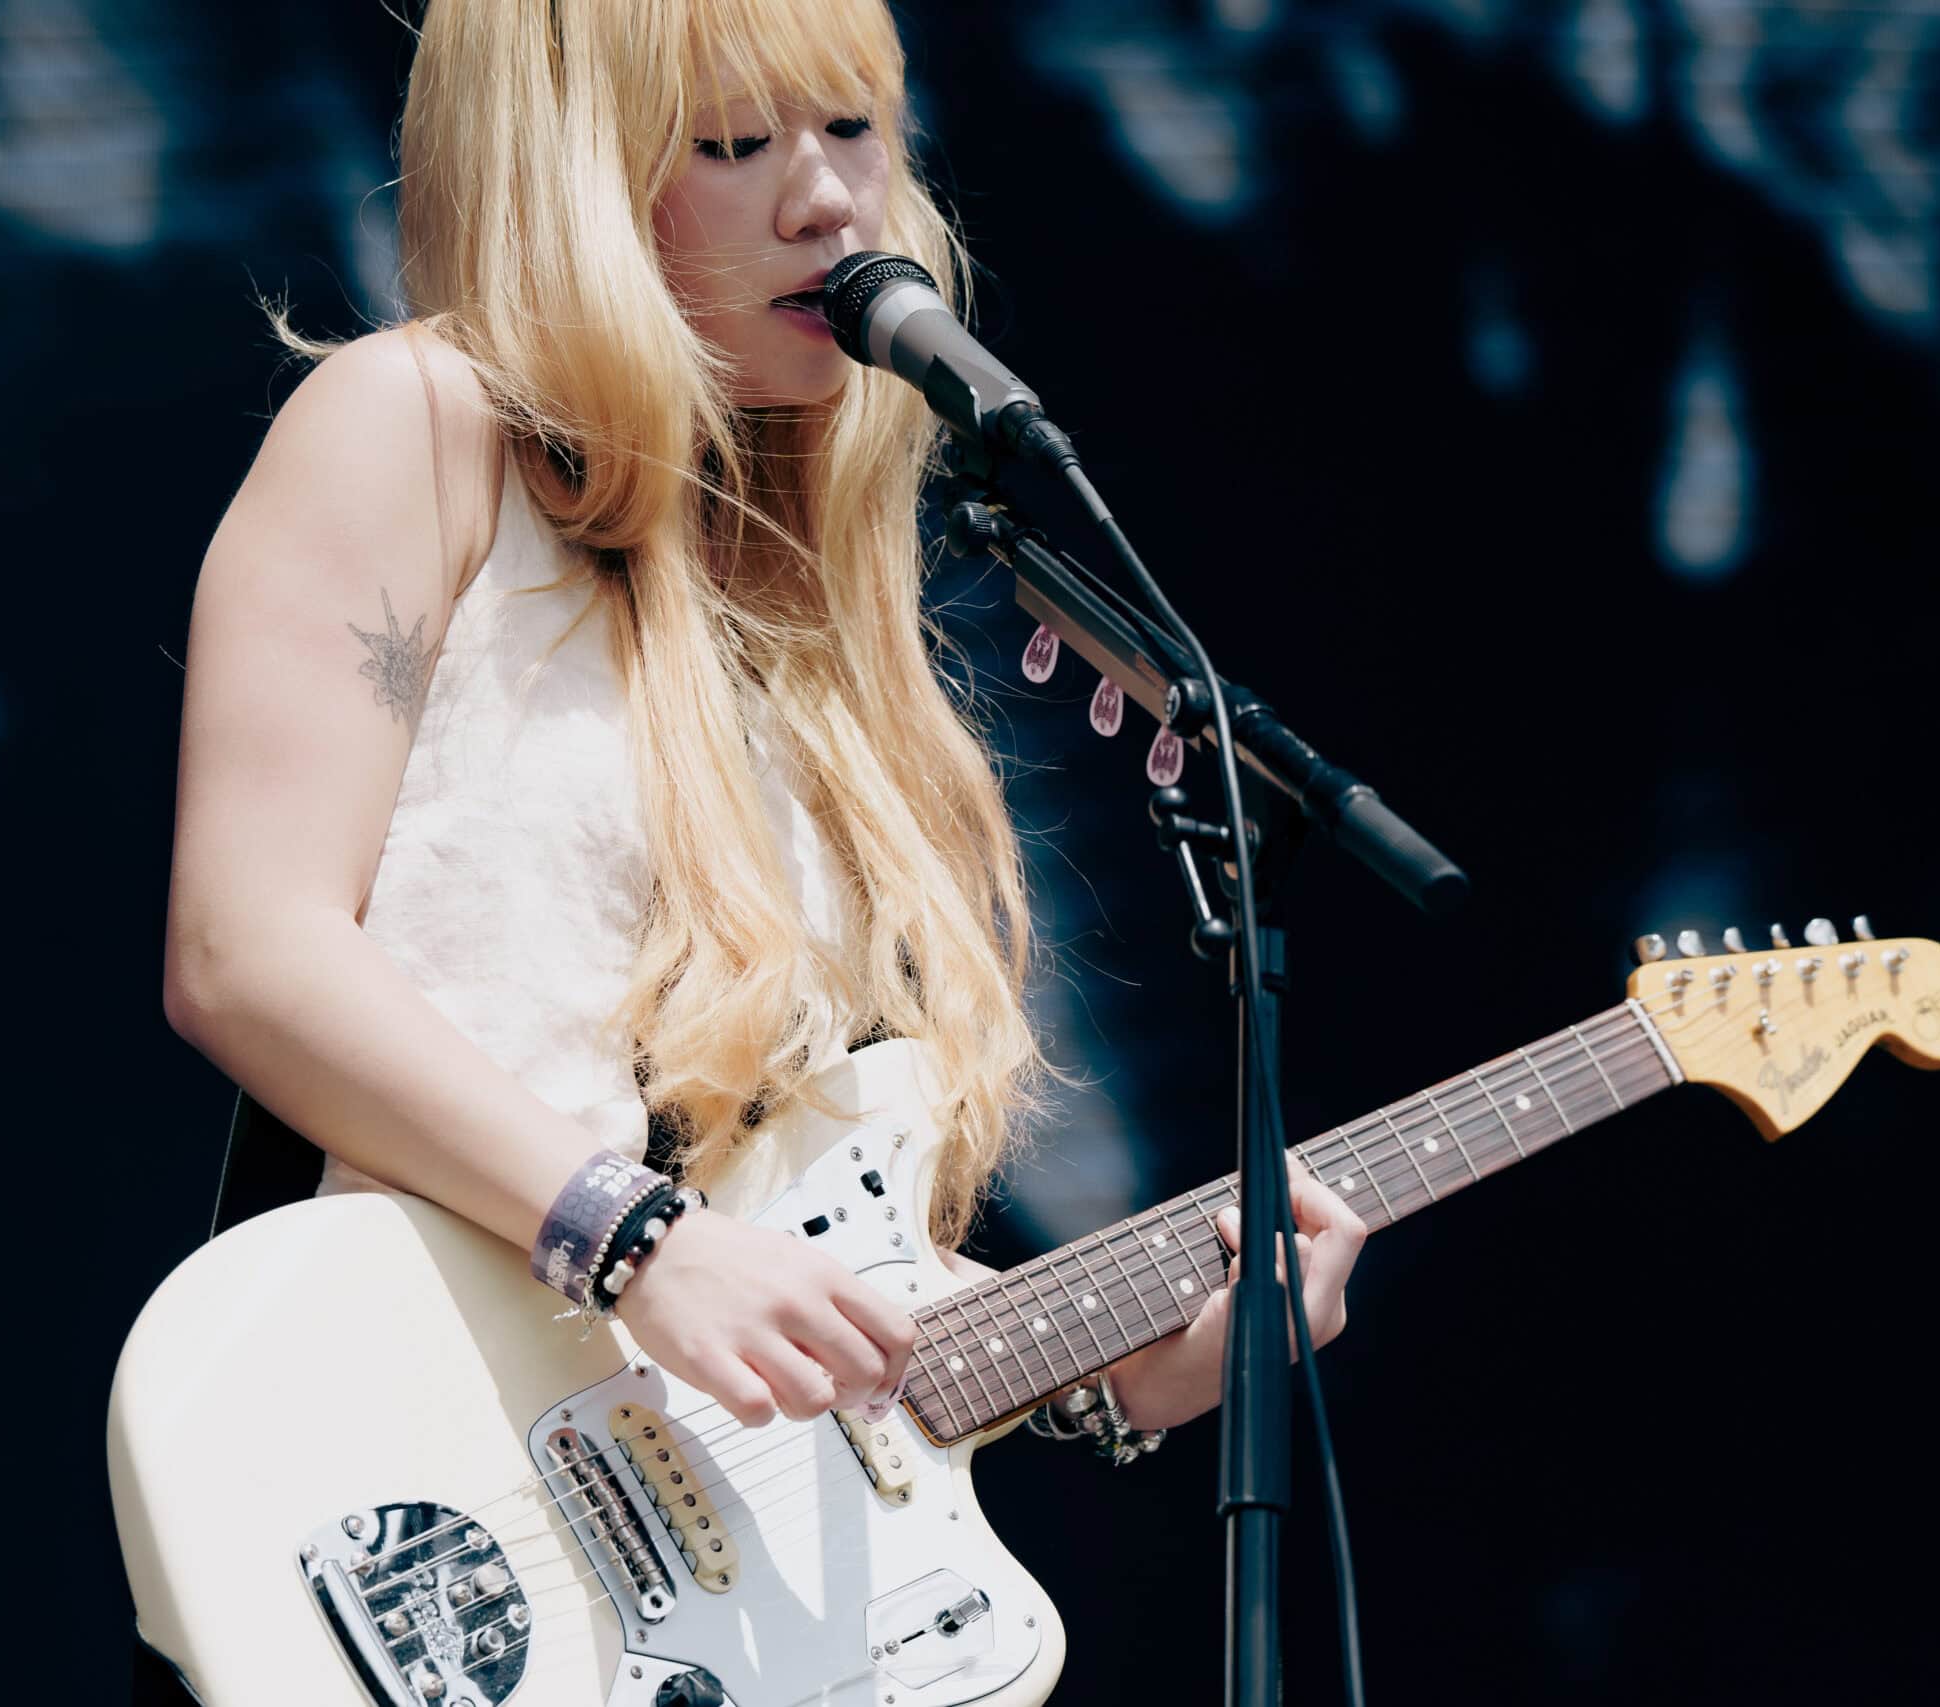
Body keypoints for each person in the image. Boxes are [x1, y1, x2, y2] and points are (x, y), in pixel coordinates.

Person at [161, 0, 1361, 1467]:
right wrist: (633, 1239)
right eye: (734, 142)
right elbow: (247, 948)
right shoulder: (414, 420)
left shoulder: (802, 586)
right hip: (391, 1460)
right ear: (569, 173)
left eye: (853, 128)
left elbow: (785, 1247)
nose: (827, 200)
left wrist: (1122, 1373)